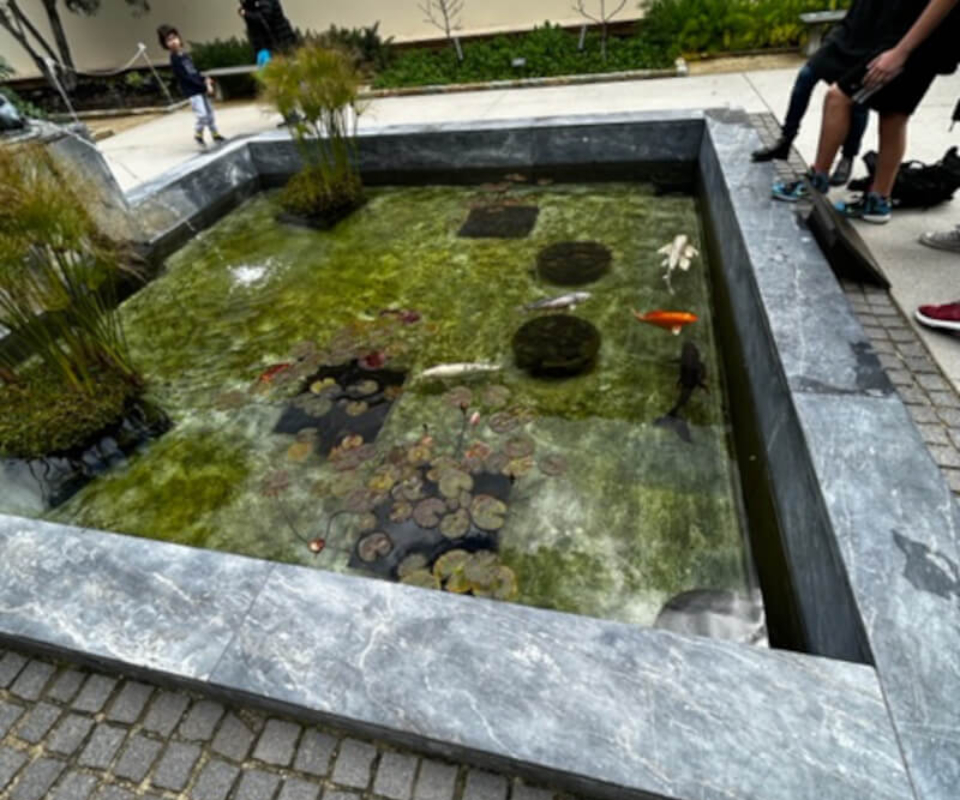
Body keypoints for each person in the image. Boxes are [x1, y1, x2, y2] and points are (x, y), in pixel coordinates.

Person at [771, 0, 960, 225]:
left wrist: (902, 51)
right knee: (893, 115)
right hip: (905, 36)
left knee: (838, 97)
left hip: (912, 41)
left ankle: (816, 181)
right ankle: (878, 201)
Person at [753, 29, 870, 187]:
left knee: (858, 102)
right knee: (806, 76)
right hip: (845, 35)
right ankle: (786, 140)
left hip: (869, 45)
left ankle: (848, 156)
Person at [157, 24, 225, 149]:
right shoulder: (175, 60)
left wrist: (205, 79)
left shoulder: (185, 56)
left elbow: (194, 71)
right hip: (193, 92)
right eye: (168, 40)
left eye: (174, 38)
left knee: (210, 113)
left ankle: (215, 134)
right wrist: (205, 86)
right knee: (202, 115)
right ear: (165, 44)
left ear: (179, 38)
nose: (173, 42)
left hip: (200, 88)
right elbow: (187, 77)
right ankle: (198, 134)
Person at [238, 0, 298, 65]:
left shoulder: (265, 2)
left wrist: (245, 13)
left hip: (279, 45)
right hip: (266, 47)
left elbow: (264, 18)